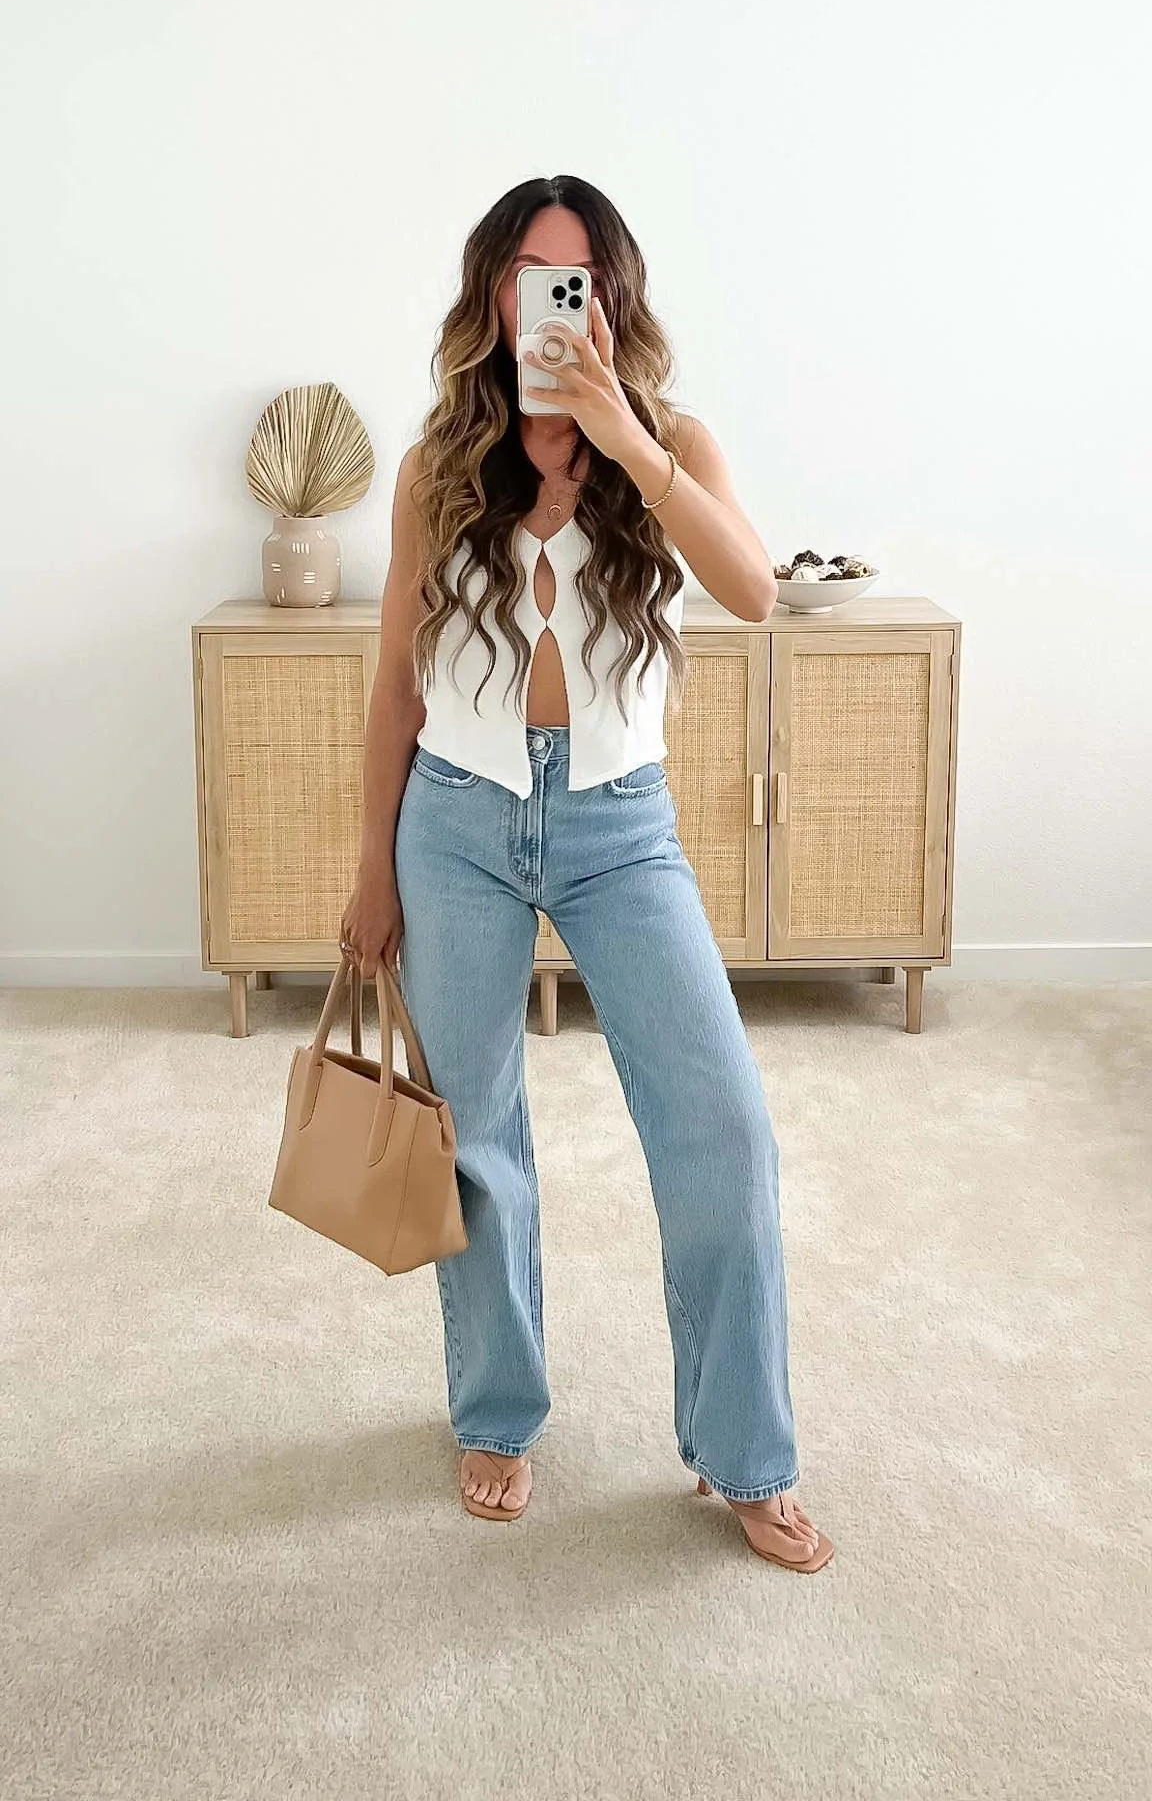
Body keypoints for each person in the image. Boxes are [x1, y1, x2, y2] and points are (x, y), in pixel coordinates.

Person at [339, 174, 834, 1573]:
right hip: (457, 821)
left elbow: (754, 591)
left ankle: (744, 1452)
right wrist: (371, 867)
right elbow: (397, 681)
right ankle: (497, 1412)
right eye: (527, 274)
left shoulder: (670, 441)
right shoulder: (439, 464)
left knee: (722, 1131)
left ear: (611, 296)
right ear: (492, 292)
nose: (552, 302)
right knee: (476, 1135)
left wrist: (625, 436)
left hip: (622, 827)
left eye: (578, 277)